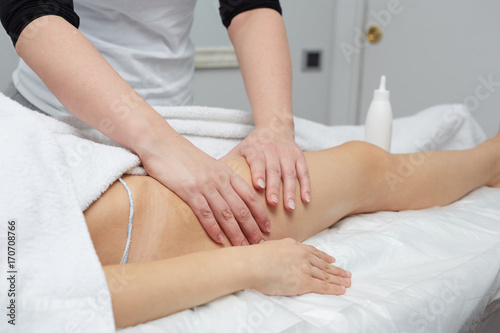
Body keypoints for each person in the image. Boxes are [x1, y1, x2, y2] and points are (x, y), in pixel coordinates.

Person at [83, 128, 500, 328]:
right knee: (366, 168)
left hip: (107, 175)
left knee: (364, 167)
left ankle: (489, 160)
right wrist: (254, 265)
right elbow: (66, 296)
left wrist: (274, 128)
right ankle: (490, 160)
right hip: (143, 222)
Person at [0, 0, 310, 248]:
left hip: (176, 124)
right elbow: (33, 13)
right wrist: (161, 144)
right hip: (52, 114)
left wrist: (276, 127)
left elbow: (250, 7)